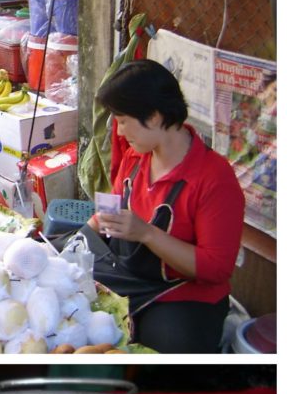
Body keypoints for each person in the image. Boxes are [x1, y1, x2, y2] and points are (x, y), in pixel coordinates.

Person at [89, 59, 244, 353]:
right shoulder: (137, 156)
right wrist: (81, 237)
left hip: (182, 293)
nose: (119, 132)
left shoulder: (214, 179)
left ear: (155, 116)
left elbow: (216, 268)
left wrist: (147, 233)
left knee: (169, 346)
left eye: (123, 121)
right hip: (128, 274)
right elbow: (110, 213)